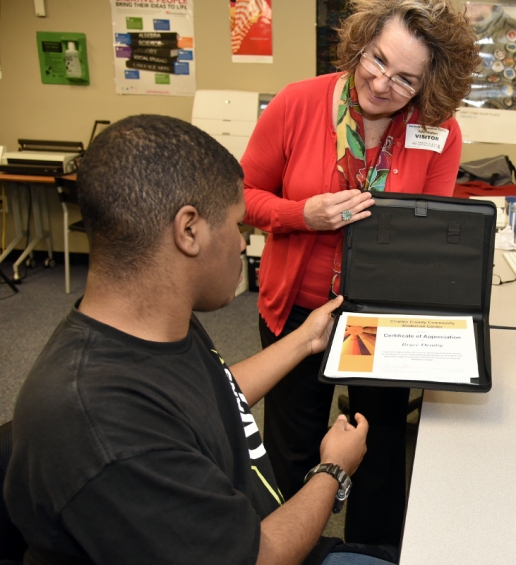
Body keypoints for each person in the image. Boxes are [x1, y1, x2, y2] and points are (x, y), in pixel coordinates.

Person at [5, 115, 401, 565]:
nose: (242, 243)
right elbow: (260, 557)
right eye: (238, 225)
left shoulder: (146, 318)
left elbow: (208, 393)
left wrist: (305, 339)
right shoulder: (105, 428)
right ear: (188, 230)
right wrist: (333, 470)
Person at [241, 0, 481, 548]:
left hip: (383, 315)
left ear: (429, 83)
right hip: (298, 312)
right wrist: (303, 214)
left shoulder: (439, 131)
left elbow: (429, 237)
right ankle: (283, 551)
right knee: (292, 445)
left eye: (404, 79)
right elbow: (244, 198)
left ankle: (370, 555)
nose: (380, 82)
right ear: (362, 40)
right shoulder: (298, 103)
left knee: (378, 444)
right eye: (376, 60)